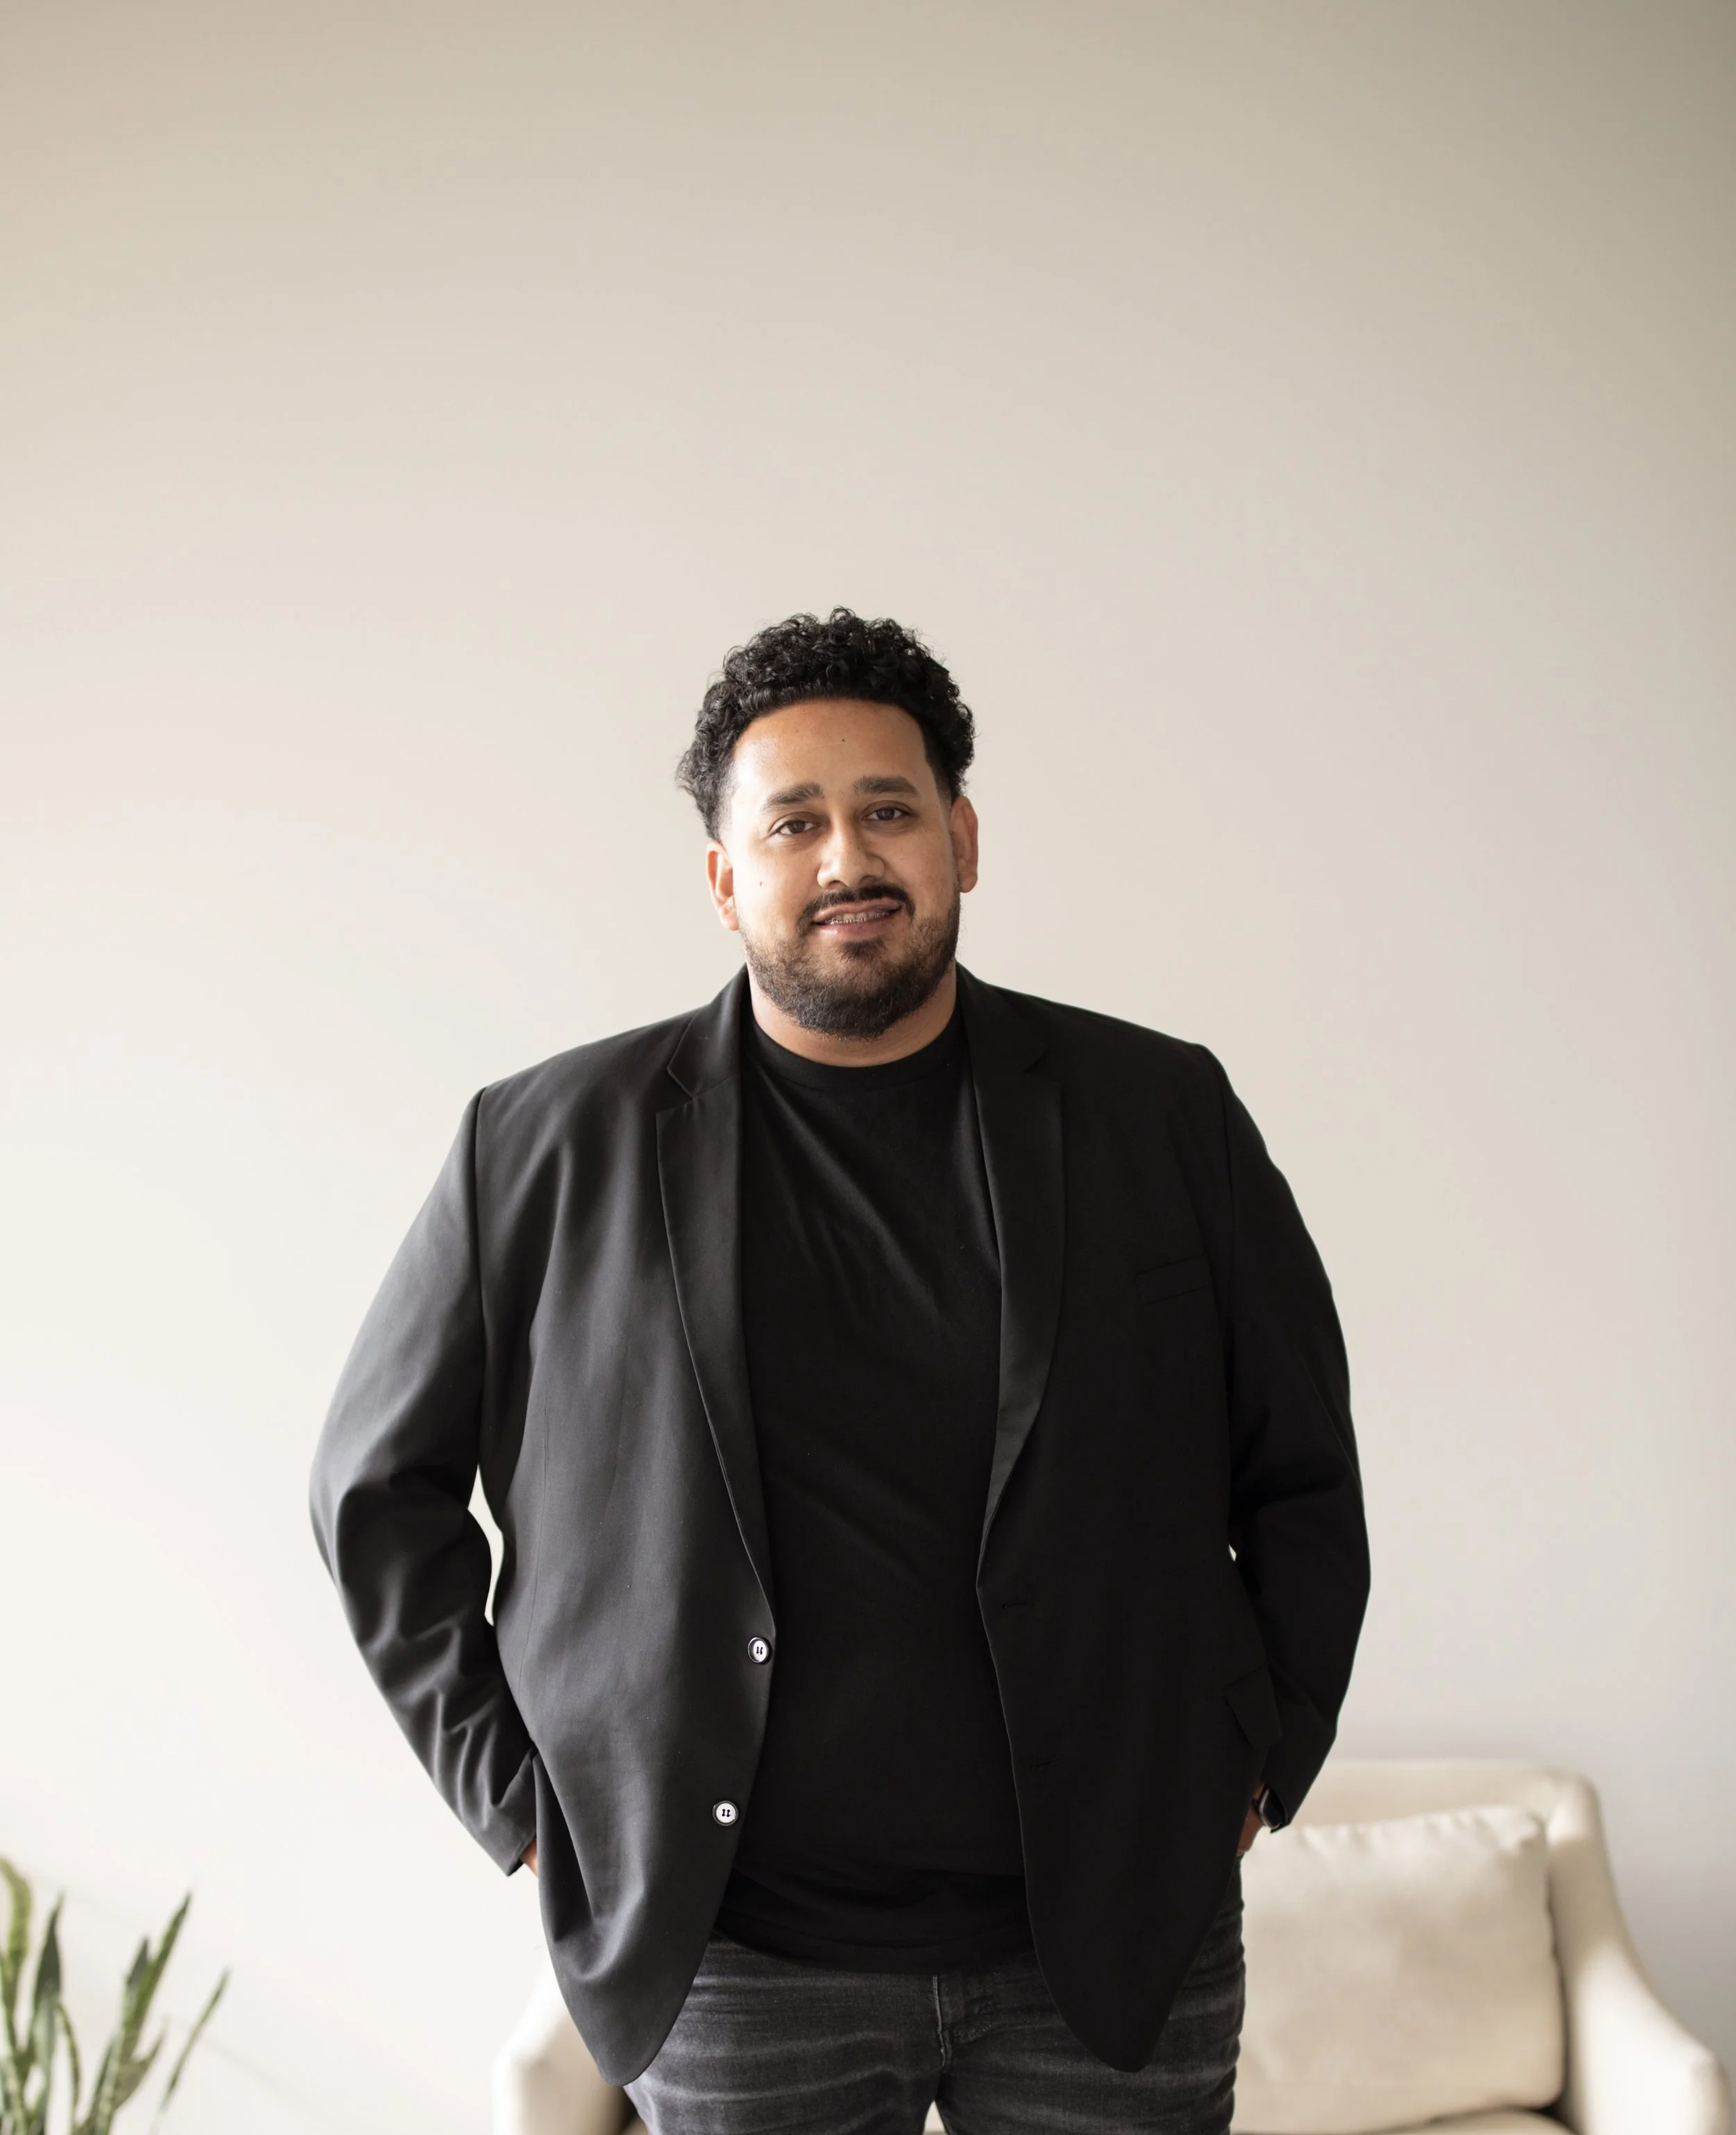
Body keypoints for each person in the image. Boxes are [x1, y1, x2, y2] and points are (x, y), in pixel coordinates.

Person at [310, 608, 1369, 2134]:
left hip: (1111, 1929)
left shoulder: (1159, 1112)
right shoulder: (542, 1143)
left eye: (886, 810)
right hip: (739, 1950)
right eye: (792, 822)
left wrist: (1261, 1753)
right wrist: (517, 1800)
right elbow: (374, 1487)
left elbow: (1299, 1465)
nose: (845, 859)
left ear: (962, 835)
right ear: (723, 873)